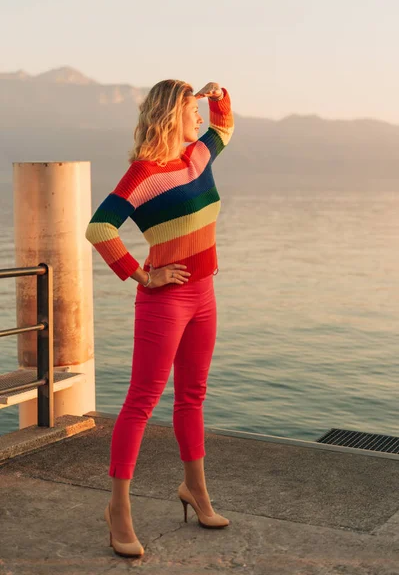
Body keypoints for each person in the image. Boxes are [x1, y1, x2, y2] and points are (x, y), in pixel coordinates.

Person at [85, 79, 234, 558]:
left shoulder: (198, 156)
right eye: (192, 109)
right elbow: (99, 228)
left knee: (192, 396)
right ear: (170, 114)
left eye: (199, 109)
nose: (200, 118)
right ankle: (119, 509)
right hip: (165, 301)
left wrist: (217, 96)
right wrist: (140, 275)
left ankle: (196, 491)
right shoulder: (143, 174)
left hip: (204, 295)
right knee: (141, 402)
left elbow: (224, 129)